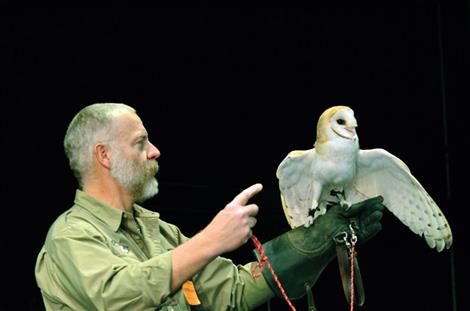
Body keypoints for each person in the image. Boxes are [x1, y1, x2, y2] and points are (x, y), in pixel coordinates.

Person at [35, 103, 385, 311]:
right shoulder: (71, 236)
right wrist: (212, 240)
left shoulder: (159, 232)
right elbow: (119, 295)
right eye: (140, 142)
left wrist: (317, 244)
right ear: (104, 155)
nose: (154, 151)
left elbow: (234, 290)